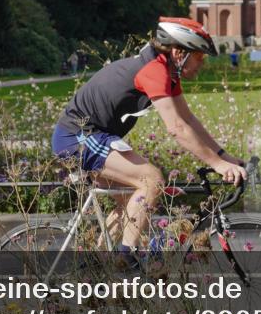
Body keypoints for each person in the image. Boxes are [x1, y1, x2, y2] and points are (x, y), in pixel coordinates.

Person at [51, 17, 247, 255]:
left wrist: (223, 156)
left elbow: (188, 120)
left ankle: (98, 265)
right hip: (77, 136)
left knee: (130, 202)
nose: (202, 63)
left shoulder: (165, 70)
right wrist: (217, 165)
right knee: (151, 180)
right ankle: (127, 259)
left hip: (95, 135)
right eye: (199, 56)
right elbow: (176, 128)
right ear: (179, 52)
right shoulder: (154, 70)